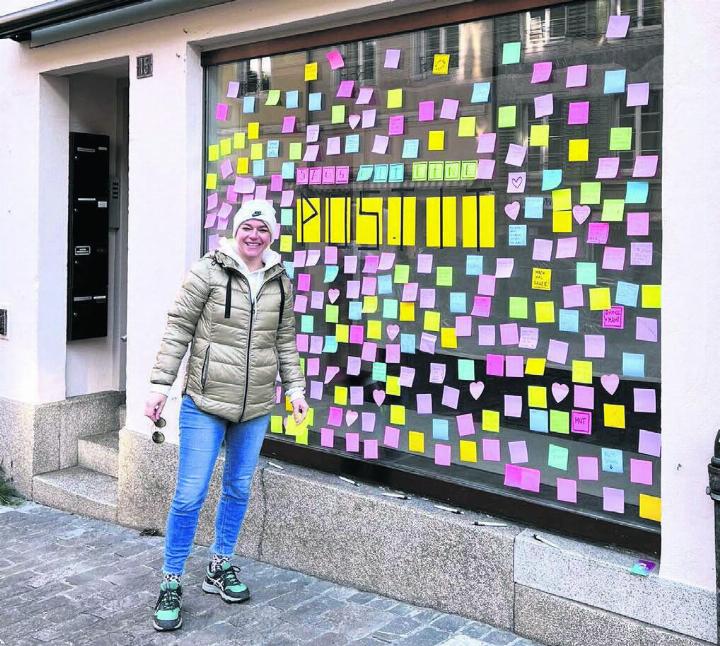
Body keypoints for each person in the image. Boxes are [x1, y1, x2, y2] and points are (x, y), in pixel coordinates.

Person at [144, 199, 307, 632]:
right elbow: (178, 326)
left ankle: (219, 566)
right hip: (205, 401)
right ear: (236, 230)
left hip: (254, 407)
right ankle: (172, 580)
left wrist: (295, 389)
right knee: (190, 493)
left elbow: (285, 340)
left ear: (272, 236)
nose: (255, 236)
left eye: (263, 230)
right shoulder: (208, 271)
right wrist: (160, 387)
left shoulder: (279, 280)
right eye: (248, 227)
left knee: (237, 488)